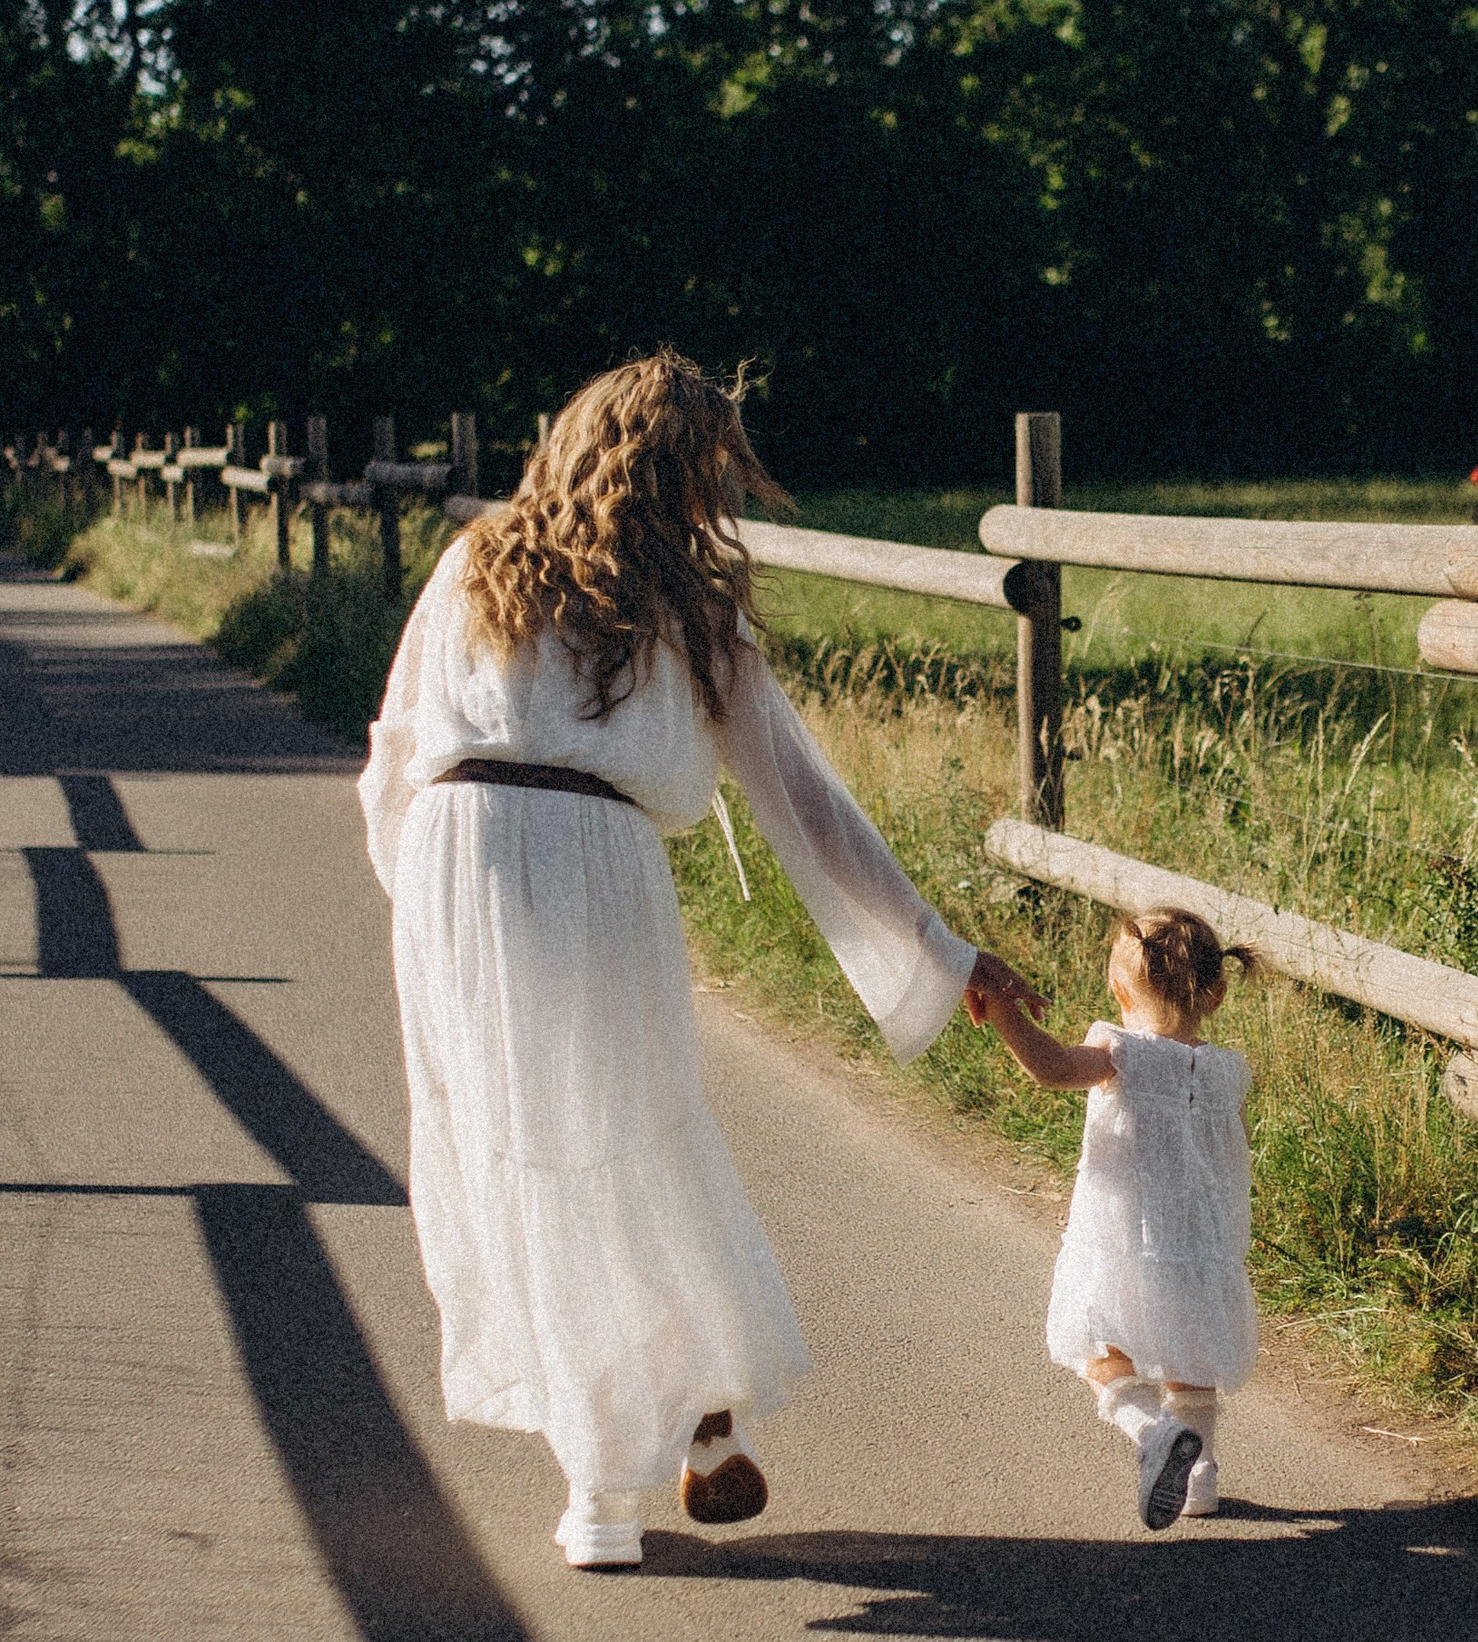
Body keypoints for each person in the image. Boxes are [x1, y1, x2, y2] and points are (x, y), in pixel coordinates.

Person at [357, 352, 1043, 1569]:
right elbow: (805, 805)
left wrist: (417, 900)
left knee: (518, 1159)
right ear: (688, 472)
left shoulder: (476, 562)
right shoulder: (686, 601)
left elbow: (395, 748)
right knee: (627, 1135)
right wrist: (938, 946)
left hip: (459, 859)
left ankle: (611, 1480)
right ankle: (659, 1432)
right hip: (599, 858)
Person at [968, 907, 1258, 1528]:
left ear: (1119, 990)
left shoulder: (1120, 1052)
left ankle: (1152, 1433)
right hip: (1202, 1242)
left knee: (1097, 1345)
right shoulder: (1229, 1071)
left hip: (1123, 1236)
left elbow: (1052, 1067)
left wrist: (1002, 1010)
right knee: (1191, 1361)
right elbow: (1233, 1155)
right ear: (1217, 994)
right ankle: (1200, 1481)